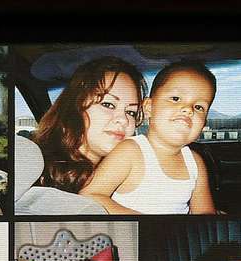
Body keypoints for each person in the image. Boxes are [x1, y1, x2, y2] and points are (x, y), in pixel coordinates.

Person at [80, 61, 217, 215]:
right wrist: (148, 224)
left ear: (204, 123)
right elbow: (90, 196)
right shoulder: (130, 151)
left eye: (199, 107)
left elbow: (206, 215)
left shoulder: (195, 163)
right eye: (176, 98)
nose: (188, 109)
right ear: (148, 107)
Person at [31, 57, 146, 194]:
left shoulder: (127, 179)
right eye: (108, 104)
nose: (124, 120)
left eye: (131, 112)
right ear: (75, 108)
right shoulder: (35, 168)